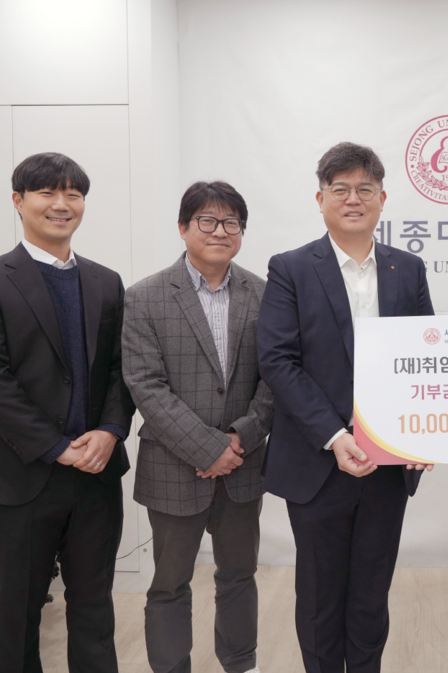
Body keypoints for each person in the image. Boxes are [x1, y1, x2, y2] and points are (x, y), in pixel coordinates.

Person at [0, 152, 134, 672]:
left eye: (73, 194)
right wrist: (56, 448)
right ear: (18, 201)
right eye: (47, 192)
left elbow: (121, 368)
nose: (61, 204)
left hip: (96, 474)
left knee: (95, 611)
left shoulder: (106, 282)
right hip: (21, 476)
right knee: (17, 613)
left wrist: (111, 430)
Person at [257, 142, 434, 673]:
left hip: (387, 464)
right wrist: (335, 436)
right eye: (341, 190)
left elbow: (425, 358)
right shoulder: (290, 268)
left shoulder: (408, 268)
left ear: (382, 198)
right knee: (319, 596)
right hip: (318, 461)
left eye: (364, 189)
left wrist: (423, 434)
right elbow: (278, 360)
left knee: (371, 595)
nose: (353, 199)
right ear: (321, 199)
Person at [122, 181, 273, 673]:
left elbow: (275, 377)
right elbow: (146, 385)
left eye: (231, 222)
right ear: (183, 228)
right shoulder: (144, 297)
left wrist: (240, 438)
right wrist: (208, 449)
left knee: (239, 576)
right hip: (172, 467)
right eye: (207, 220)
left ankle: (241, 663)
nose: (220, 231)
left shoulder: (265, 294)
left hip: (243, 465)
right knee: (169, 584)